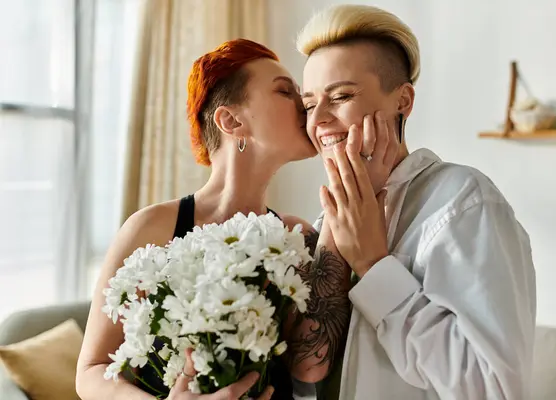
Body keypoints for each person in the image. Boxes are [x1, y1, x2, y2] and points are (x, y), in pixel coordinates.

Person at [76, 39, 352, 400]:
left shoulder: (299, 236)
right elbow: (91, 371)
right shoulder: (151, 227)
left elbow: (311, 360)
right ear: (231, 120)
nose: (305, 105)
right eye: (286, 91)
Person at [296, 4, 537, 399]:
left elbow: (495, 389)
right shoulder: (324, 224)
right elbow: (307, 374)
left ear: (403, 100)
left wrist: (374, 266)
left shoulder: (463, 202)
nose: (318, 119)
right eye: (308, 104)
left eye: (340, 96)